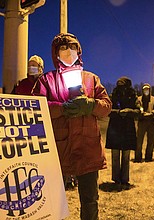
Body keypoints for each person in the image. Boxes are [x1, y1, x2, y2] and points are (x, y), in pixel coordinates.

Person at [32, 33, 112, 219]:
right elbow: (37, 107)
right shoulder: (47, 80)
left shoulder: (91, 78)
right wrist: (62, 108)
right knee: (52, 200)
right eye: (63, 48)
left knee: (90, 199)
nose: (68, 52)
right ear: (56, 54)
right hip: (59, 150)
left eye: (72, 48)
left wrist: (92, 105)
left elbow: (106, 106)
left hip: (87, 147)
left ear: (79, 51)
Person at [105, 76, 140, 188]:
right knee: (115, 155)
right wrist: (118, 112)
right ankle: (116, 178)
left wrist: (128, 111)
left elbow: (139, 111)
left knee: (126, 155)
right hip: (115, 128)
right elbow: (107, 110)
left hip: (127, 128)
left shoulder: (133, 97)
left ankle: (124, 179)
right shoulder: (113, 96)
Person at [134, 83, 154, 162]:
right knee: (139, 140)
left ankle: (148, 157)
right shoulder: (139, 99)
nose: (146, 91)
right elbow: (137, 106)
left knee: (151, 140)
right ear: (142, 90)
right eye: (145, 89)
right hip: (142, 122)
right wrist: (141, 111)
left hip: (151, 122)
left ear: (149, 90)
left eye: (147, 89)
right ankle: (138, 157)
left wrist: (151, 113)